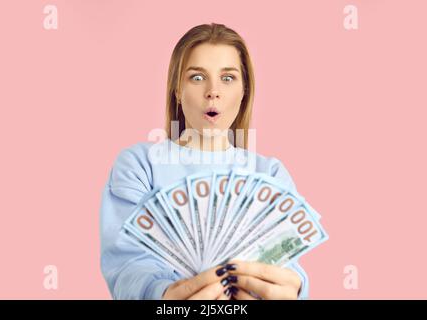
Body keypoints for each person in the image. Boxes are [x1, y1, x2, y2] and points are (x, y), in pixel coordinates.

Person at [100, 23, 309, 300]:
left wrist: (295, 288)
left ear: (244, 91)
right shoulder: (140, 165)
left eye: (228, 78)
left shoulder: (270, 173)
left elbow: (288, 259)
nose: (213, 91)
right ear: (177, 89)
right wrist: (163, 295)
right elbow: (125, 264)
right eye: (197, 78)